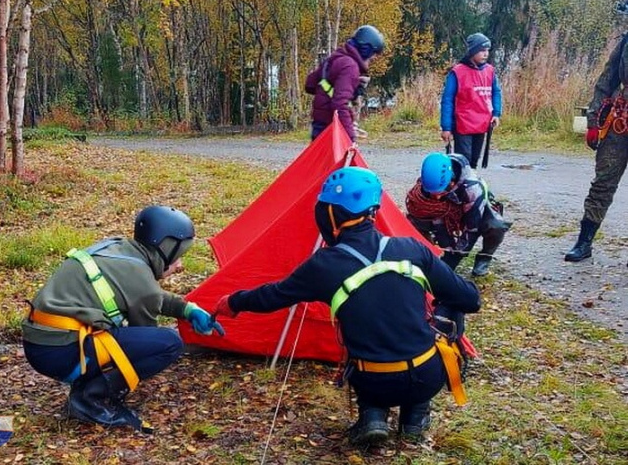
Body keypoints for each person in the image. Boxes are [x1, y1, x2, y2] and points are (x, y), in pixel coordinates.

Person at [213, 166, 480, 445]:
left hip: (373, 380)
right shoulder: (412, 249)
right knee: (452, 304)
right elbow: (469, 299)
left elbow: (272, 296)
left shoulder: (323, 266)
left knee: (370, 353)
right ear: (373, 211)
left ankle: (373, 414)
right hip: (427, 374)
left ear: (328, 214)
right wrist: (442, 304)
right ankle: (414, 416)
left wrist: (233, 301)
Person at [22, 205, 224, 432]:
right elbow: (147, 333)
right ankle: (91, 400)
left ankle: (88, 387)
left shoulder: (118, 248)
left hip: (42, 342)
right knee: (169, 343)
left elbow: (145, 294)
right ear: (165, 248)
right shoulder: (142, 283)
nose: (180, 266)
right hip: (58, 353)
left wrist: (187, 310)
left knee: (143, 341)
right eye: (178, 256)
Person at [565, 0, 628, 263]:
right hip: (619, 123)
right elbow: (605, 81)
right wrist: (593, 122)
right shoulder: (625, 42)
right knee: (603, 182)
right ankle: (584, 242)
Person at [406, 152, 511, 276]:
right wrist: (447, 247)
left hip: (474, 208)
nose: (437, 196)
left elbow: (472, 228)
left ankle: (484, 258)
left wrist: (456, 255)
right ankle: (428, 255)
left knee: (496, 226)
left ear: (451, 179)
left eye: (440, 192)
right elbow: (434, 217)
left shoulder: (472, 189)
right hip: (447, 212)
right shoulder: (430, 181)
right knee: (414, 222)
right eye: (432, 193)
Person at [305, 25, 385, 143]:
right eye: (373, 54)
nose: (373, 58)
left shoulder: (335, 58)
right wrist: (350, 137)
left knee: (320, 161)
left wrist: (335, 88)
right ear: (365, 50)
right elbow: (340, 104)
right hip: (331, 127)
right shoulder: (350, 67)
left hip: (319, 125)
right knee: (339, 161)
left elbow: (310, 84)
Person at [440, 33, 502, 168]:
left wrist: (496, 113)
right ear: (472, 51)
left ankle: (470, 186)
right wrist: (446, 127)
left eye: (487, 50)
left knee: (474, 160)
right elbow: (447, 100)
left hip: (481, 123)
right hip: (463, 124)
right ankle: (459, 186)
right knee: (462, 161)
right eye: (481, 50)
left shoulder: (490, 71)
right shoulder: (458, 72)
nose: (485, 54)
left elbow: (496, 92)